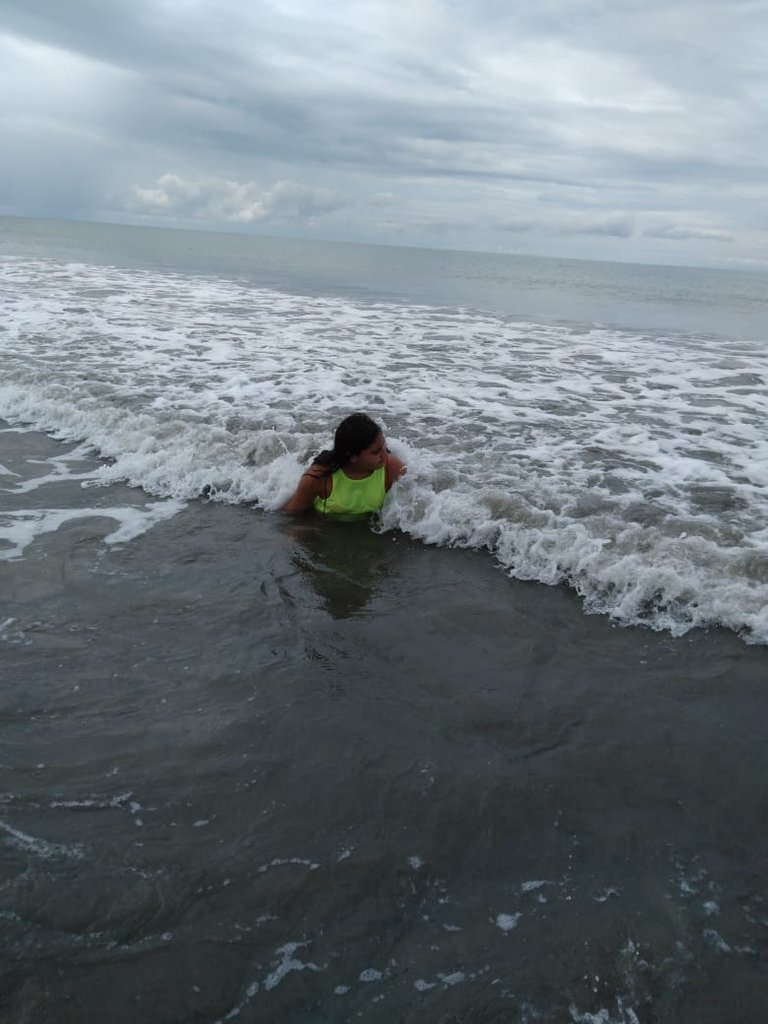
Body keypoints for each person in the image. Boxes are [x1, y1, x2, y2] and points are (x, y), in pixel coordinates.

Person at [283, 413, 406, 515]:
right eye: (376, 452)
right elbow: (292, 516)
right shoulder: (319, 478)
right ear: (353, 457)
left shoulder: (391, 468)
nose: (384, 454)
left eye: (383, 446)